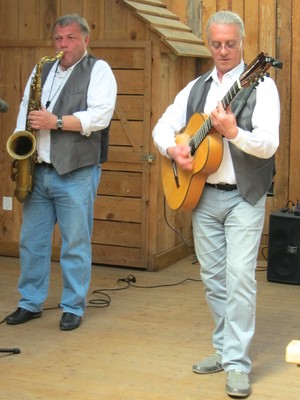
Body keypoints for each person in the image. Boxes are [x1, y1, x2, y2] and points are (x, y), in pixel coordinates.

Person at [152, 10, 280, 398]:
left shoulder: (261, 86)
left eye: (230, 43)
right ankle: (225, 350)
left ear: (242, 43)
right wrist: (174, 149)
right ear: (210, 44)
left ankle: (238, 364)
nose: (223, 50)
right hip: (202, 194)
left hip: (243, 196)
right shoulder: (195, 88)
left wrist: (234, 132)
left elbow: (269, 144)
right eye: (217, 44)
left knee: (240, 277)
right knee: (213, 279)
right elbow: (161, 126)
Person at [6, 14, 117, 331]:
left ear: (85, 40)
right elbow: (26, 108)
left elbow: (100, 116)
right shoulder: (41, 68)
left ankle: (73, 306)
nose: (63, 45)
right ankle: (30, 302)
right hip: (38, 168)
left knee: (75, 244)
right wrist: (21, 140)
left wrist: (55, 121)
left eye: (70, 38)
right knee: (32, 242)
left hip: (76, 171)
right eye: (58, 39)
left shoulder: (99, 70)